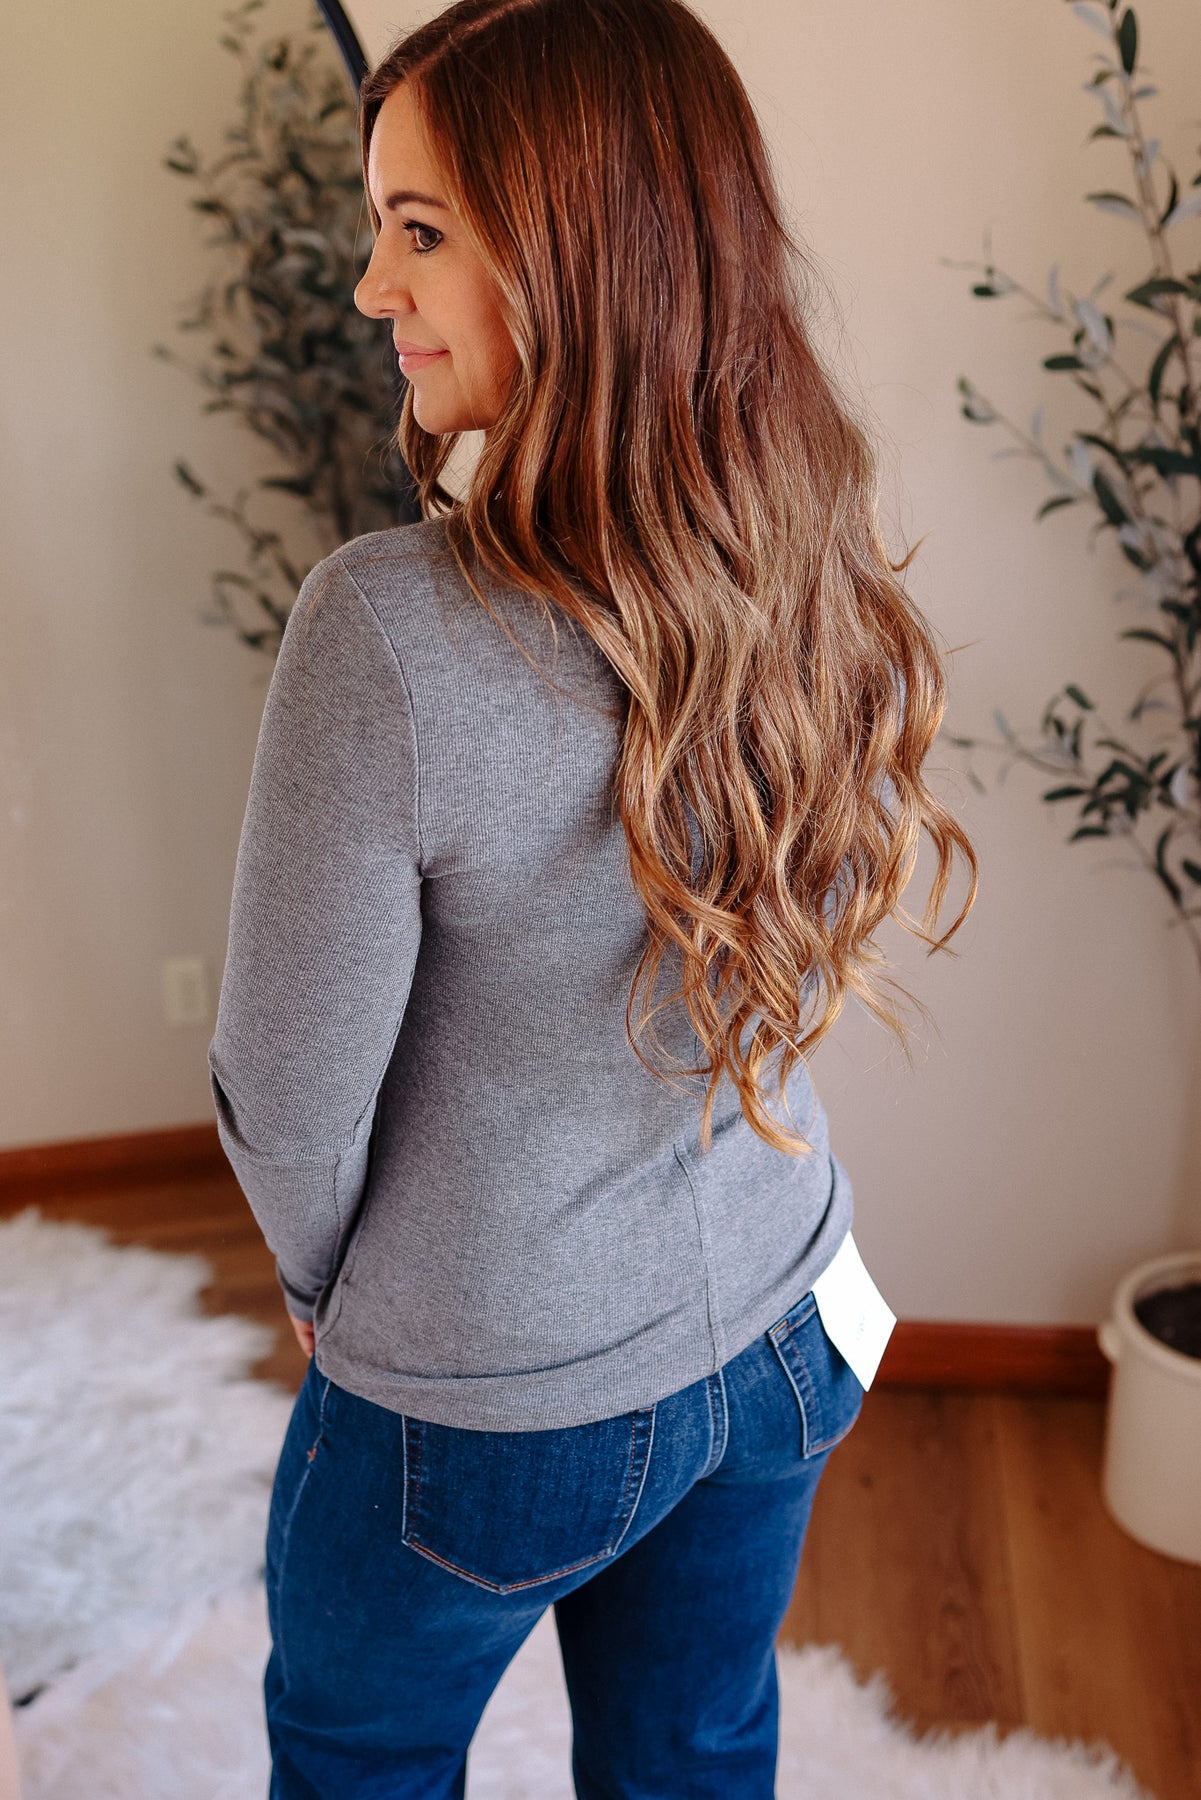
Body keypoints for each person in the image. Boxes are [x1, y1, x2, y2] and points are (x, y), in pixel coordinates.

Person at [207, 0, 977, 1792]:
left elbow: (287, 1093)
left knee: (356, 1763)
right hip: (786, 1323)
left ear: (579, 251)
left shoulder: (385, 629)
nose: (371, 289)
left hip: (483, 1399)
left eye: (418, 230)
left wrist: (325, 1287)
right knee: (696, 1753)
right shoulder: (802, 532)